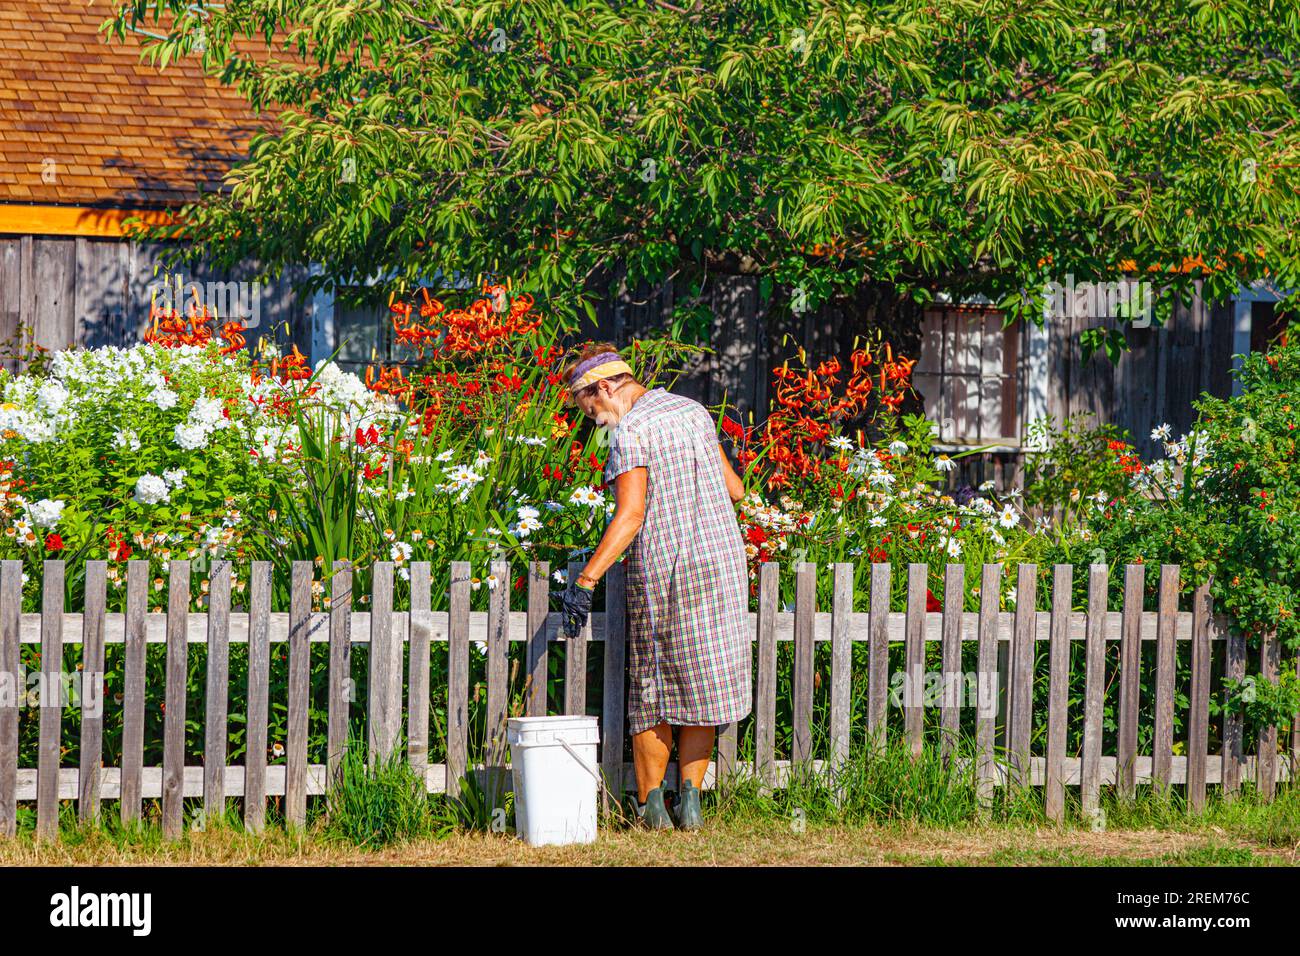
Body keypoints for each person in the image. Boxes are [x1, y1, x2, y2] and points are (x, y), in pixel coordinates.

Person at [556, 342, 753, 831]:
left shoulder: (633, 430)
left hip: (671, 573)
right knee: (705, 683)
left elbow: (631, 515)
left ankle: (651, 809)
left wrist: (585, 581)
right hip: (723, 568)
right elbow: (735, 489)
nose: (593, 419)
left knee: (655, 691)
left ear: (604, 387)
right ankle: (690, 802)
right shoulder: (692, 411)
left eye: (590, 407)